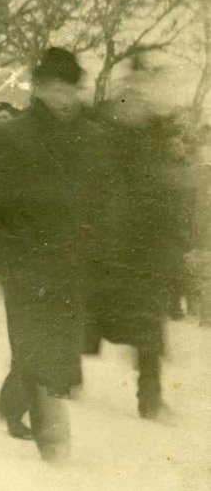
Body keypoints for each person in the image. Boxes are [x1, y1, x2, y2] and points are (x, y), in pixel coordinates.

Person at [0, 48, 110, 461]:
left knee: (59, 344)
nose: (63, 99)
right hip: (22, 259)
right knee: (35, 343)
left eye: (70, 89)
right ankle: (48, 426)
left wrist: (110, 247)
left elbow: (108, 201)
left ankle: (11, 404)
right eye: (54, 89)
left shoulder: (92, 141)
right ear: (38, 89)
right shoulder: (9, 137)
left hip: (73, 261)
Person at [88, 52, 193, 420]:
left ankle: (150, 398)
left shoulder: (156, 130)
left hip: (147, 245)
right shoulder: (107, 127)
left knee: (148, 323)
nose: (141, 96)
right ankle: (63, 377)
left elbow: (167, 183)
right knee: (90, 315)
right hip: (111, 241)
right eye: (135, 89)